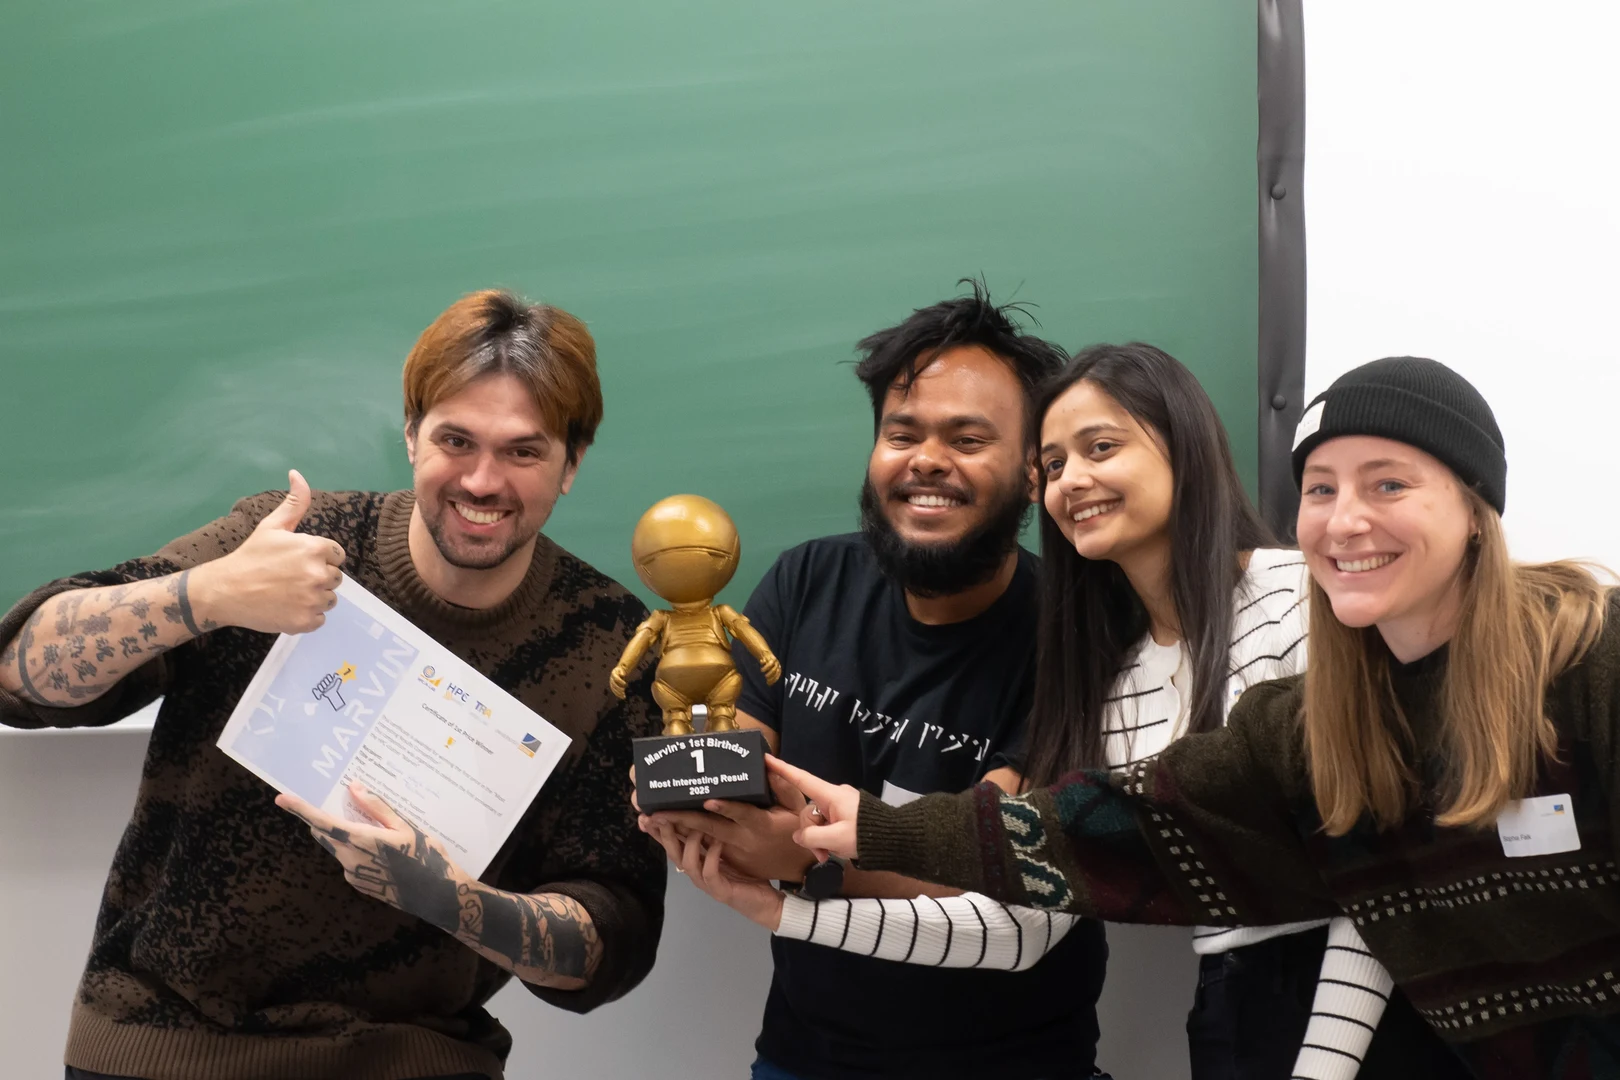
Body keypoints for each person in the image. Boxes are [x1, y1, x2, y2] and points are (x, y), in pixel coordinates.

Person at [782, 356, 1619, 1079]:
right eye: (1052, 462)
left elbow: (1374, 886)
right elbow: (1045, 889)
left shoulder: (1331, 601)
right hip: (1241, 1019)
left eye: (1102, 447)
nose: (1072, 479)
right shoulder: (1123, 686)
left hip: (1388, 1017)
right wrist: (803, 895)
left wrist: (1320, 1067)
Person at [0, 290, 667, 1080]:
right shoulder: (286, 546)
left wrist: (450, 900)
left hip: (412, 1059)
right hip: (163, 1048)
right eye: (456, 440)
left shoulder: (611, 648)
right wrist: (202, 596)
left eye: (524, 452)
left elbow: (611, 939)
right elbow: (20, 671)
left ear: (572, 465)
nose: (483, 482)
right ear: (412, 436)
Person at [640, 284, 1111, 1080]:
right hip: (804, 1057)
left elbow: (990, 865)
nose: (927, 459)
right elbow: (735, 784)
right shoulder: (803, 582)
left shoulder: (1076, 640)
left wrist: (800, 861)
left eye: (968, 438)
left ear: (1034, 473)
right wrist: (684, 789)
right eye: (902, 433)